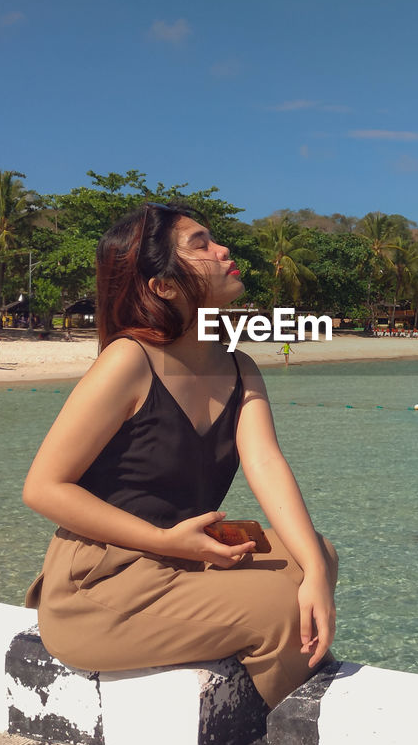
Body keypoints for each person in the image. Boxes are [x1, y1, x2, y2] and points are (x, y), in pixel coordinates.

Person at [22, 203, 337, 710]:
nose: (223, 249)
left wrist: (317, 570)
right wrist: (164, 540)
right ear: (163, 286)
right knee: (282, 609)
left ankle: (266, 695)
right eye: (201, 244)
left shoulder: (238, 364)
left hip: (186, 558)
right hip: (103, 583)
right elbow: (43, 487)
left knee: (315, 555)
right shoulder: (128, 361)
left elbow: (266, 464)